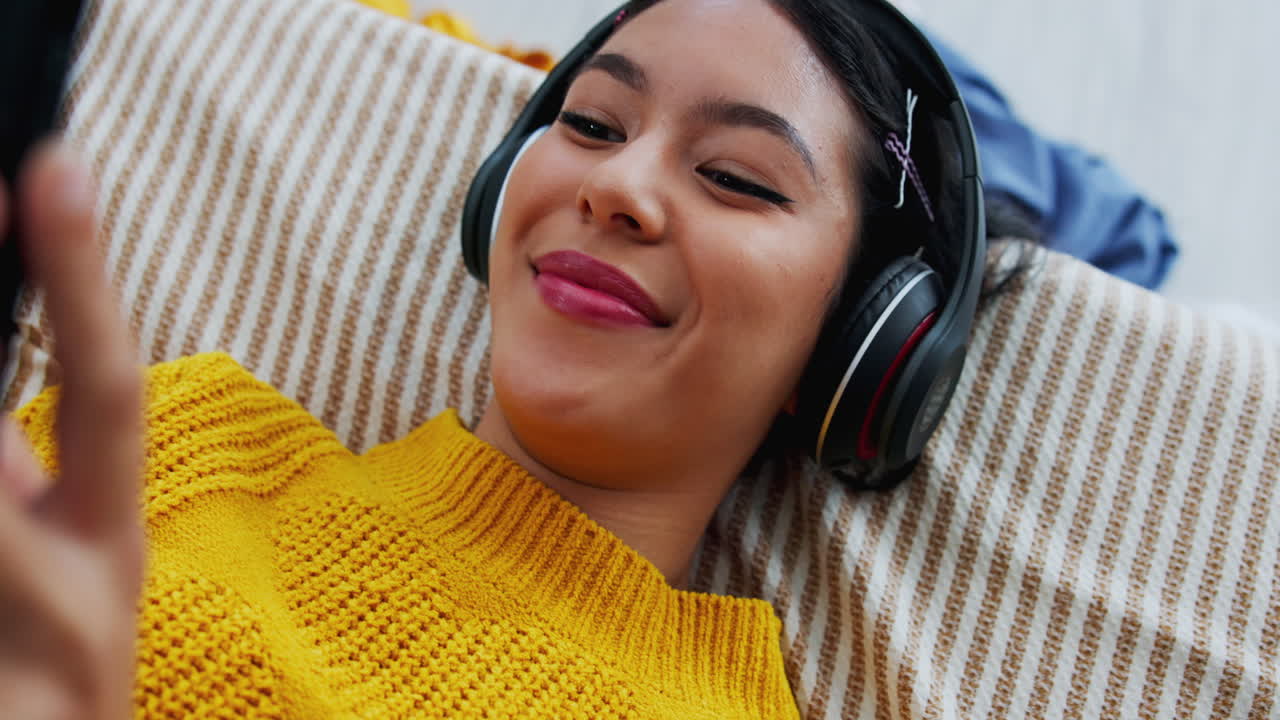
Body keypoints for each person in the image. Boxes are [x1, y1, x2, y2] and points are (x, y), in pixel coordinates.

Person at [0, 0, 1005, 716]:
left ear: (859, 344)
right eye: (590, 124)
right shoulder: (179, 429)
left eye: (734, 177)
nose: (617, 184)